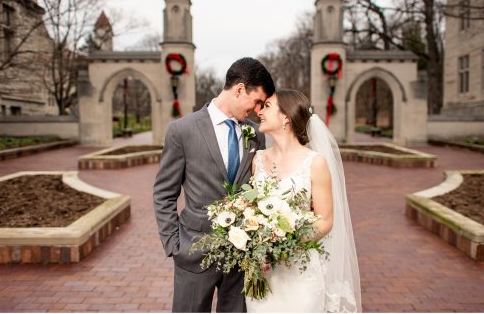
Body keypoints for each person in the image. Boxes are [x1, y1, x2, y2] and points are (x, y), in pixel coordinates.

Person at [153, 57, 275, 312]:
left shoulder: (257, 135)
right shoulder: (182, 131)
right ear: (240, 89)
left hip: (241, 260)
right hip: (193, 253)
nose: (257, 110)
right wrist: (174, 244)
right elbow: (164, 193)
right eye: (257, 101)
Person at [246, 89, 361, 312]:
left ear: (286, 118)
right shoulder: (257, 160)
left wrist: (282, 244)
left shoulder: (315, 163)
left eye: (267, 106)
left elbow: (325, 221)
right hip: (263, 272)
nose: (259, 111)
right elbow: (253, 211)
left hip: (299, 272)